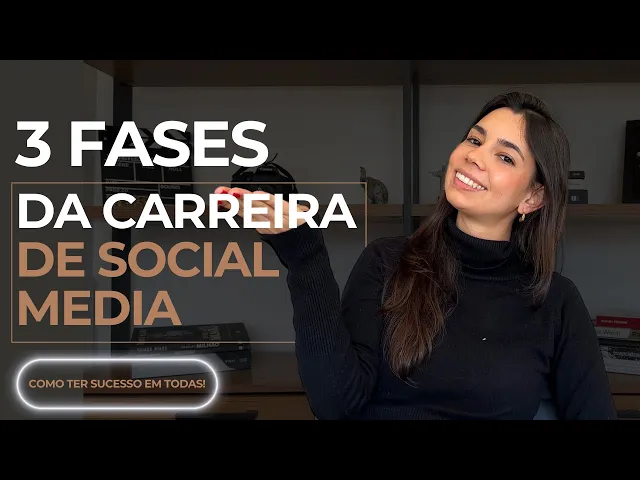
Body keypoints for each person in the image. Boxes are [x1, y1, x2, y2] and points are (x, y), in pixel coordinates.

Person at [215, 91, 617, 420]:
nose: (474, 156)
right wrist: (305, 254)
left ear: (533, 197)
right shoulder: (386, 262)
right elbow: (335, 404)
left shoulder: (556, 301)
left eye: (505, 156)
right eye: (474, 140)